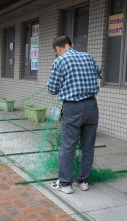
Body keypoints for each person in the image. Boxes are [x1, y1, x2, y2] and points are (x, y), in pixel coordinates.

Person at [47, 36, 102, 194]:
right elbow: (99, 73)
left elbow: (52, 89)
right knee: (88, 147)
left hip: (72, 108)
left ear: (58, 48)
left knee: (68, 146)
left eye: (56, 51)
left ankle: (64, 184)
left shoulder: (60, 61)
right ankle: (83, 181)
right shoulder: (88, 56)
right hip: (91, 106)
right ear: (72, 45)